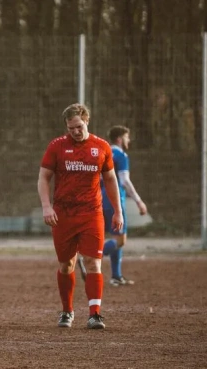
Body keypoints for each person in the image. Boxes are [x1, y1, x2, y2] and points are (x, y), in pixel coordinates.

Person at [37, 103, 123, 330]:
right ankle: (67, 311)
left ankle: (95, 314)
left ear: (87, 121)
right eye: (70, 128)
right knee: (66, 265)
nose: (75, 131)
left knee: (93, 262)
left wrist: (117, 211)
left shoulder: (102, 147)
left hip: (91, 213)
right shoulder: (56, 147)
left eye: (79, 126)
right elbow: (43, 177)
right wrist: (47, 206)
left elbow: (111, 180)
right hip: (63, 215)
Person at [97, 125, 148, 286]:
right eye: (127, 137)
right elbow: (124, 181)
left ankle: (116, 276)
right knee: (120, 241)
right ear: (119, 139)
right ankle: (90, 257)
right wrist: (139, 201)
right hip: (115, 200)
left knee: (115, 237)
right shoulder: (121, 155)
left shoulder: (102, 153)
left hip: (100, 199)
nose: (129, 140)